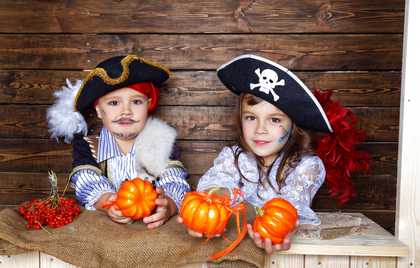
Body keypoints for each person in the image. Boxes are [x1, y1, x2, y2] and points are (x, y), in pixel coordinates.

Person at [178, 54, 369, 254]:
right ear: (239, 119)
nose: (260, 129)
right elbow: (221, 180)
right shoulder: (233, 157)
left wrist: (278, 226)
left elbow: (291, 204)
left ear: (293, 126)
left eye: (275, 120)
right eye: (251, 117)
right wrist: (212, 203)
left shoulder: (307, 167)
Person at [47, 55, 191, 229]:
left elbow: (175, 181)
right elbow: (87, 181)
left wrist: (168, 205)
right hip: (103, 230)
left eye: (136, 102)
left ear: (149, 105)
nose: (126, 111)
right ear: (99, 110)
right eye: (114, 103)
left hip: (151, 229)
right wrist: (107, 201)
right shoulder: (89, 147)